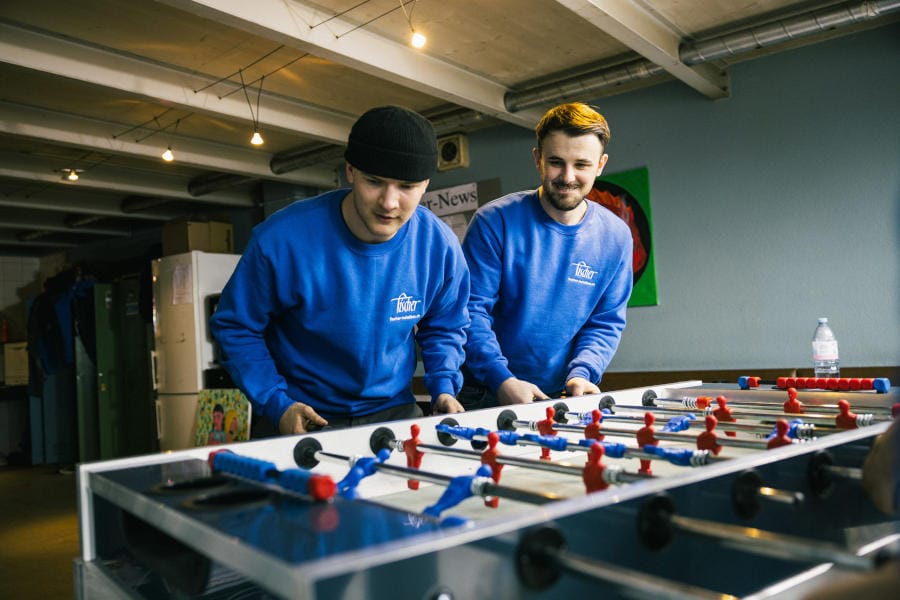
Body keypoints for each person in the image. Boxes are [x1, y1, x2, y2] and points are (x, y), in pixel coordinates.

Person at [209, 106, 469, 436]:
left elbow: (445, 326)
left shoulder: (440, 247)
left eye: (407, 187)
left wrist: (444, 387)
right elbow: (236, 326)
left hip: (394, 413)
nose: (389, 202)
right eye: (374, 181)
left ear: (426, 184)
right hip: (298, 412)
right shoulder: (282, 239)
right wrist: (277, 403)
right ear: (350, 171)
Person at [459, 102, 633, 409]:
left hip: (562, 394)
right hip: (485, 390)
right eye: (556, 162)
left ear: (601, 164)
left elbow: (605, 322)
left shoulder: (616, 237)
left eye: (581, 164)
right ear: (538, 159)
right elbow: (471, 312)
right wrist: (502, 379)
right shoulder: (494, 222)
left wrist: (582, 373)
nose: (567, 176)